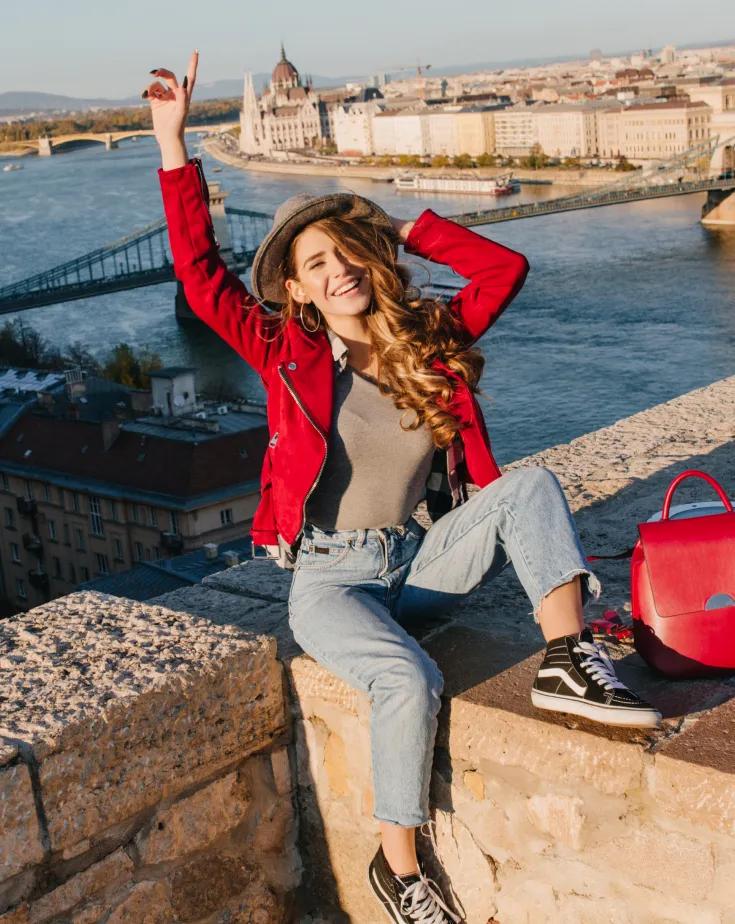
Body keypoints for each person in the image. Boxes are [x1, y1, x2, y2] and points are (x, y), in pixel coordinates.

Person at [144, 53, 662, 924]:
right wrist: (172, 144)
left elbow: (504, 270)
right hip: (332, 579)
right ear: (298, 291)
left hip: (419, 562)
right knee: (406, 680)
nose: (336, 270)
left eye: (346, 251)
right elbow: (201, 278)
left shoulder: (430, 338)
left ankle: (568, 660)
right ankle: (400, 870)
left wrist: (403, 223)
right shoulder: (285, 354)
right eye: (315, 263)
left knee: (531, 483)